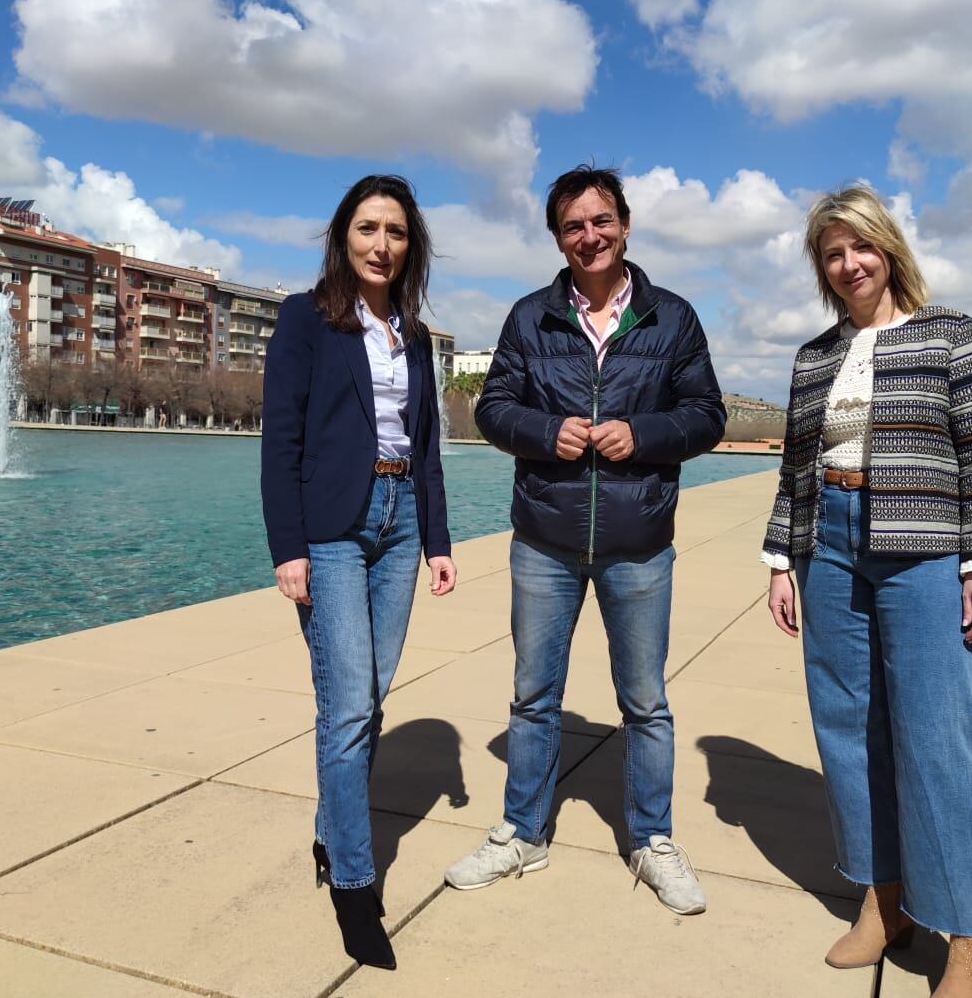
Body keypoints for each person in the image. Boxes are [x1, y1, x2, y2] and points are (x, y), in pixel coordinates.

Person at [444, 164, 725, 915]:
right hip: (545, 537)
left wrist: (643, 433)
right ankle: (522, 833)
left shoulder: (672, 317)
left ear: (625, 225)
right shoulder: (530, 316)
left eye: (601, 221)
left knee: (645, 702)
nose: (589, 236)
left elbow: (706, 415)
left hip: (639, 541)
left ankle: (653, 839)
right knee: (534, 697)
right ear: (557, 237)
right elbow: (493, 408)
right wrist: (543, 431)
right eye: (573, 226)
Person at [761, 185, 972, 997]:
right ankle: (884, 903)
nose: (848, 265)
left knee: (937, 736)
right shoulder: (813, 357)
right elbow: (795, 467)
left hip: (924, 547)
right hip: (828, 543)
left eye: (859, 248)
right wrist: (780, 559)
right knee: (847, 727)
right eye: (832, 254)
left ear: (889, 248)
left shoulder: (950, 335)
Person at [261, 174, 457, 971]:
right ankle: (352, 879)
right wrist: (288, 547)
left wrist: (439, 538)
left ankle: (326, 831)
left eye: (397, 233)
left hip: (401, 518)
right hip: (333, 526)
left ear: (411, 246)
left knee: (370, 698)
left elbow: (429, 441)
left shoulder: (411, 332)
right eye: (369, 228)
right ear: (344, 234)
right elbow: (283, 440)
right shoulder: (306, 320)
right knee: (346, 706)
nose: (382, 245)